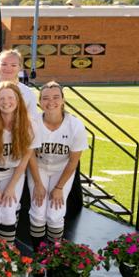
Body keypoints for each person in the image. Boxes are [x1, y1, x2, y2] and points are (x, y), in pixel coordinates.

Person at [0, 81, 40, 243]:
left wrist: (11, 187)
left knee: (9, 215)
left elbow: (24, 161)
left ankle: (7, 256)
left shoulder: (30, 126)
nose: (6, 102)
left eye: (10, 97)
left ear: (18, 100)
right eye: (1, 98)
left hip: (13, 173)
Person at [27, 81, 88, 245]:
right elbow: (30, 156)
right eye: (45, 98)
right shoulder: (33, 123)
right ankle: (39, 254)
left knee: (55, 213)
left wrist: (59, 187)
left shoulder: (75, 125)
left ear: (63, 100)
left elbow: (74, 160)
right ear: (40, 102)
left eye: (55, 97)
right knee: (38, 212)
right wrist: (38, 184)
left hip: (62, 170)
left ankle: (54, 254)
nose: (50, 102)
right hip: (38, 168)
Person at [0, 49, 40, 118]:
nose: (8, 68)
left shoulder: (27, 92)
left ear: (20, 68)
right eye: (4, 64)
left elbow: (33, 119)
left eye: (13, 65)